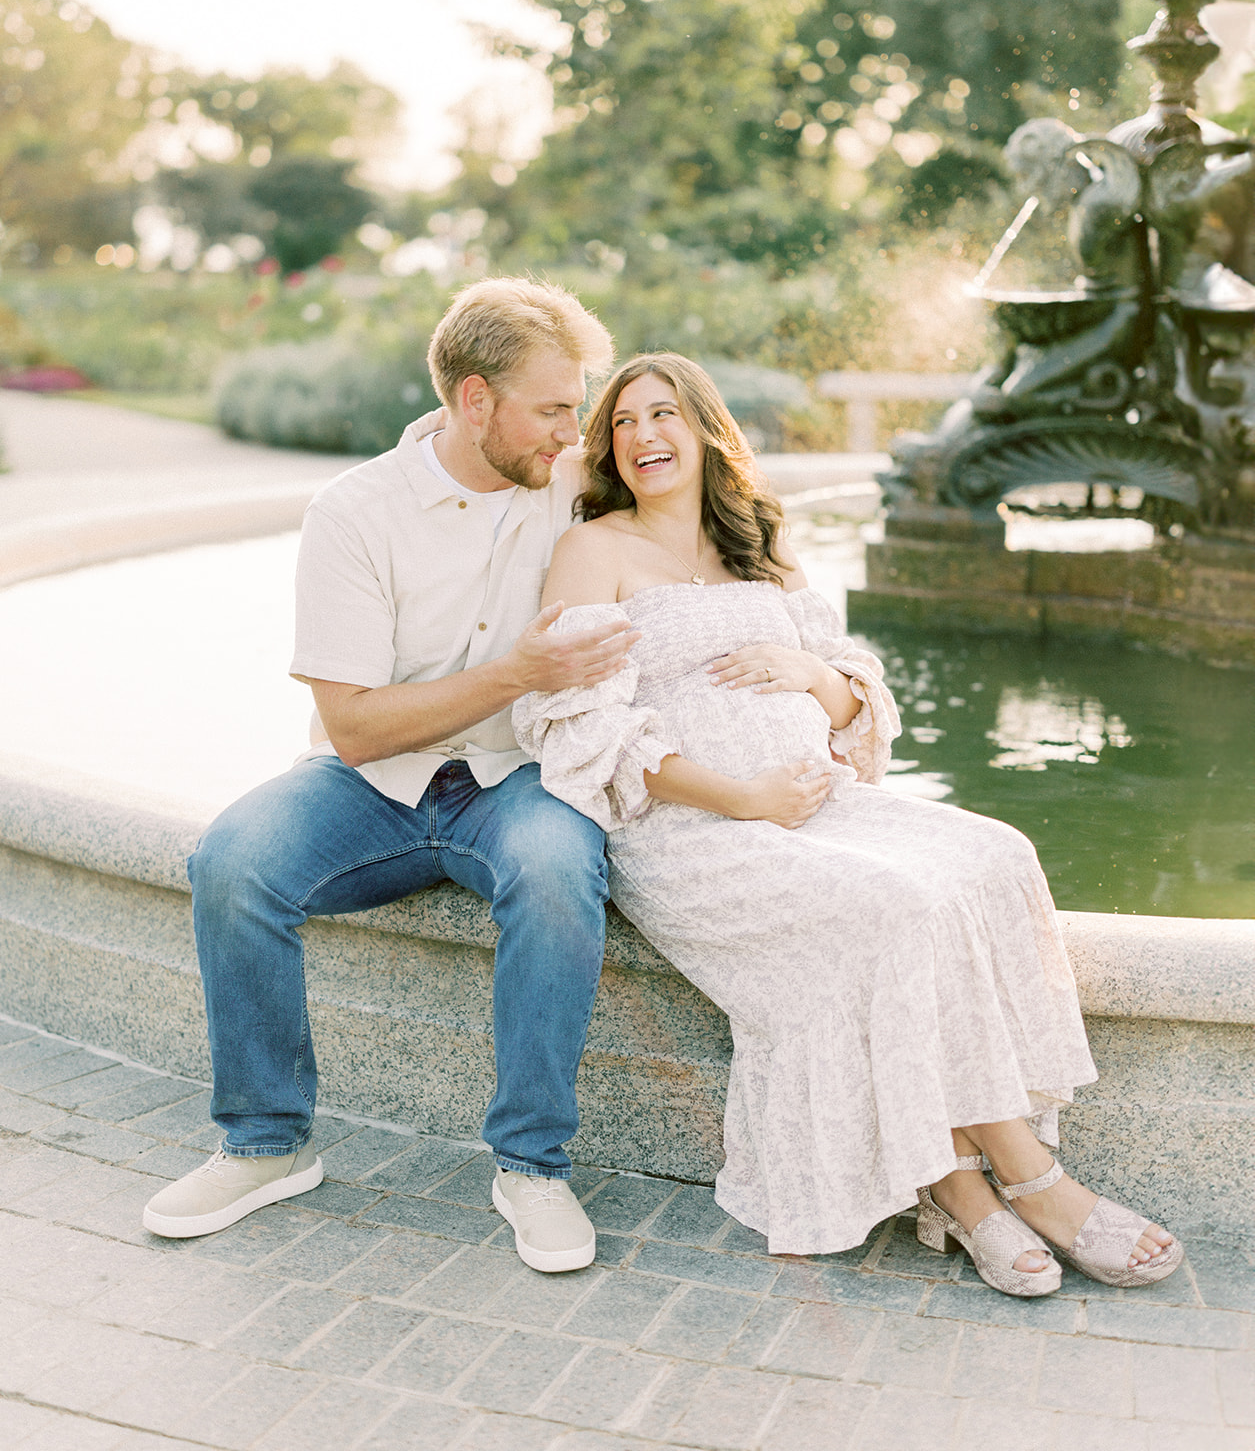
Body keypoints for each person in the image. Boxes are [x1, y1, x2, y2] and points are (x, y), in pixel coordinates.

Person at [513, 352, 1183, 1296]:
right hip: (690, 831)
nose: (641, 437)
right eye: (622, 423)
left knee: (996, 856)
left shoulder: (759, 549)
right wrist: (742, 798)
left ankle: (979, 1181)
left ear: (706, 430)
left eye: (662, 414)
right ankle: (1006, 1181)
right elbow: (572, 720)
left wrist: (814, 680)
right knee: (895, 905)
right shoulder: (596, 550)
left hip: (819, 809)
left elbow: (851, 682)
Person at [143, 277, 640, 1274]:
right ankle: (264, 1144)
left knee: (555, 874)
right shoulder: (354, 512)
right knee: (233, 861)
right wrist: (517, 672)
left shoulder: (576, 482)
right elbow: (356, 728)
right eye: (552, 407)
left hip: (518, 780)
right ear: (473, 400)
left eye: (575, 405)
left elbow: (710, 523)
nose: (571, 428)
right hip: (369, 783)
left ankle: (531, 1166)